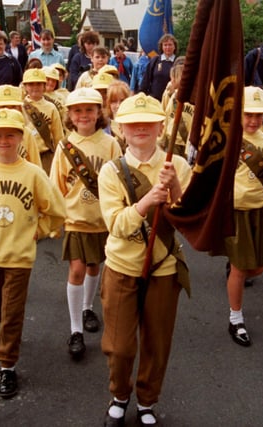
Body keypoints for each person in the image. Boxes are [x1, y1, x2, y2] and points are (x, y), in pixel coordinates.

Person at [98, 93, 191, 426]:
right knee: (119, 345)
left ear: (161, 126)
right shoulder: (111, 172)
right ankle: (120, 394)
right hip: (122, 265)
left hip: (163, 266)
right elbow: (117, 225)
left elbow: (188, 220)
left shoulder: (176, 165)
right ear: (120, 129)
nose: (141, 128)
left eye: (148, 122)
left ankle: (148, 401)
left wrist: (176, 187)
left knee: (157, 341)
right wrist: (149, 199)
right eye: (133, 123)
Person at [0, 108, 66, 399]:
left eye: (10, 134)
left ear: (21, 137)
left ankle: (7, 365)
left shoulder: (33, 173)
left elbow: (57, 211)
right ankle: (8, 334)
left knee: (11, 314)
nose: (3, 141)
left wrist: (39, 229)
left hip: (20, 256)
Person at [49, 88, 122, 360]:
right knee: (77, 270)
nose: (83, 115)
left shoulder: (110, 144)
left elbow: (118, 180)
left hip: (103, 218)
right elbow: (55, 183)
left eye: (89, 110)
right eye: (77, 110)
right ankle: (76, 329)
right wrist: (56, 218)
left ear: (98, 112)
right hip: (76, 219)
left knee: (95, 266)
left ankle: (87, 307)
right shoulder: (64, 146)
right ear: (69, 115)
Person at [212, 86, 263, 347]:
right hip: (236, 214)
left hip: (261, 211)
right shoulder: (229, 140)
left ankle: (236, 273)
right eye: (248, 114)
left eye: (259, 115)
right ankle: (236, 319)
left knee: (258, 267)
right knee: (240, 268)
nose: (253, 120)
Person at [0, 84, 43, 170]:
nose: (7, 110)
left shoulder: (27, 134)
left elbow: (36, 166)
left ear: (20, 109)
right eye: (3, 106)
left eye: (13, 107)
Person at [21, 68, 65, 174]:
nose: (35, 87)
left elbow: (58, 135)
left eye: (39, 84)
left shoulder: (51, 108)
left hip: (45, 155)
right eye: (31, 84)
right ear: (25, 87)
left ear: (44, 86)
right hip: (25, 157)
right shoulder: (20, 107)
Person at [139, 34, 177, 101]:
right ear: (161, 47)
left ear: (174, 46)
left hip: (171, 101)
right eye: (165, 45)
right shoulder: (155, 60)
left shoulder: (178, 62)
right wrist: (142, 95)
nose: (168, 47)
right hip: (154, 100)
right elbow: (146, 80)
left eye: (170, 44)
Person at [104, 80, 132, 153]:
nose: (118, 105)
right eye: (114, 101)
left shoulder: (135, 124)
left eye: (122, 100)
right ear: (108, 103)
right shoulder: (104, 127)